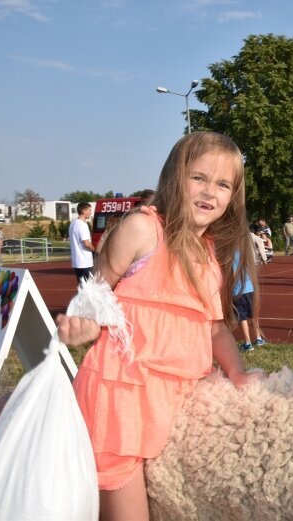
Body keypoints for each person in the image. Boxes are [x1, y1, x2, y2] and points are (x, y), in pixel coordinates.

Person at [56, 131, 262, 521]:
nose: (209, 192)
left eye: (223, 184)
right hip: (120, 400)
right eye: (198, 177)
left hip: (176, 401)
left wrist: (237, 371)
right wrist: (84, 327)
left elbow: (215, 328)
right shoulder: (142, 228)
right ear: (174, 177)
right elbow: (94, 298)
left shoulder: (211, 254)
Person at [233, 250, 268, 352]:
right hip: (250, 288)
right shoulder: (243, 252)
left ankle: (248, 343)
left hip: (238, 290)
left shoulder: (231, 255)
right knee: (253, 315)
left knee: (242, 317)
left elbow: (234, 273)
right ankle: (258, 338)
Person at [69, 202, 96, 284]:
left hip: (77, 262)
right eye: (89, 210)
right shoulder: (82, 225)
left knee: (82, 287)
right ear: (83, 211)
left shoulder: (72, 224)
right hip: (85, 262)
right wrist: (95, 251)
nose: (91, 213)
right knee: (89, 288)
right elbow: (86, 243)